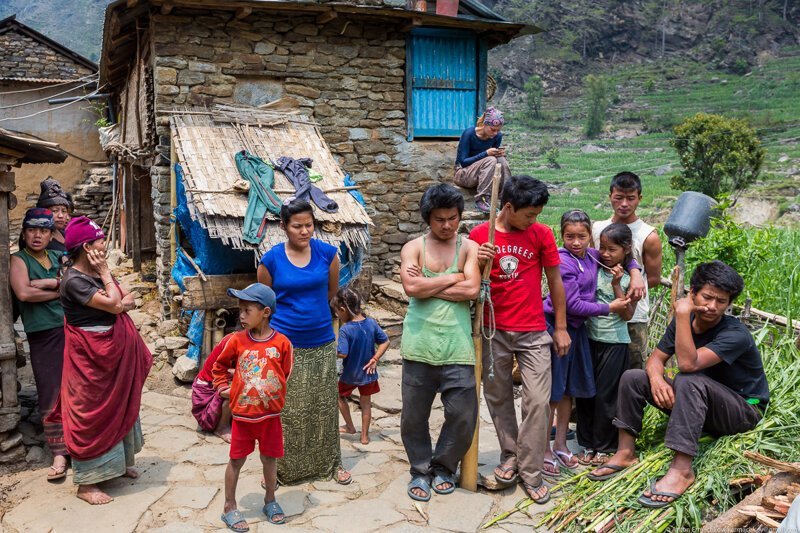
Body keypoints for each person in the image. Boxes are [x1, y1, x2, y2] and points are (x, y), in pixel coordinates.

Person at [589, 261, 769, 510]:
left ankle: (682, 470)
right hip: (700, 404)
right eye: (707, 297)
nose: (713, 306)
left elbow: (687, 364)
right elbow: (655, 359)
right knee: (634, 377)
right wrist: (656, 379)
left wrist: (682, 314)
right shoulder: (686, 322)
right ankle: (625, 452)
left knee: (688, 379)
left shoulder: (735, 334)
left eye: (722, 301)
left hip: (743, 411)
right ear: (692, 293)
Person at [470, 176, 568, 504]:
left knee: (538, 401)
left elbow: (554, 279)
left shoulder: (541, 234)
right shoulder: (480, 234)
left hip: (533, 330)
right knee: (497, 398)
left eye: (537, 214)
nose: (534, 220)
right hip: (492, 328)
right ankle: (510, 456)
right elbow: (467, 277)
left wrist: (561, 327)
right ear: (508, 207)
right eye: (529, 214)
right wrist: (479, 258)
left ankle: (531, 469)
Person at [46, 216, 152, 505]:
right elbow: (118, 303)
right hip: (90, 360)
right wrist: (109, 280)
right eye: (100, 241)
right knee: (92, 415)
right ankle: (87, 484)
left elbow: (127, 299)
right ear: (86, 247)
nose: (104, 245)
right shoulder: (74, 281)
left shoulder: (93, 273)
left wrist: (115, 296)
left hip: (114, 355)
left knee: (120, 404)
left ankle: (118, 464)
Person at [257, 199, 351, 485]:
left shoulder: (327, 254)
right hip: (284, 344)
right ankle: (280, 468)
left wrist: (312, 315)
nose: (305, 231)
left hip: (321, 340)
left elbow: (331, 292)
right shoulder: (272, 259)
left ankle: (331, 463)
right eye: (297, 226)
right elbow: (264, 301)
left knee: (322, 406)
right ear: (284, 227)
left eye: (309, 225)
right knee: (287, 409)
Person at [540, 211, 641, 474]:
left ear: (589, 238)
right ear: (561, 236)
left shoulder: (591, 255)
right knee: (553, 390)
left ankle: (561, 443)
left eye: (582, 237)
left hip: (578, 331)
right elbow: (571, 304)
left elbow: (624, 256)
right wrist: (609, 307)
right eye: (569, 236)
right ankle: (544, 448)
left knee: (568, 391)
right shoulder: (564, 262)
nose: (575, 242)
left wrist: (636, 273)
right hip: (558, 327)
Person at [400, 183, 480, 502]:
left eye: (453, 218)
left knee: (463, 414)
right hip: (419, 343)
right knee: (413, 417)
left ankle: (443, 466)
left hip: (457, 345)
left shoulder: (468, 247)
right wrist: (454, 277)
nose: (447, 225)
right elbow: (410, 287)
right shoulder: (413, 247)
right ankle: (420, 470)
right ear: (427, 219)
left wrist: (427, 284)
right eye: (439, 219)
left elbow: (473, 290)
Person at [212, 283, 293, 531]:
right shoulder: (236, 341)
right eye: (241, 310)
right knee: (236, 461)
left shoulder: (282, 344)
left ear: (265, 312)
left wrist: (273, 396)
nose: (242, 316)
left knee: (269, 459)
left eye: (247, 310)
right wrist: (222, 387)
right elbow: (218, 366)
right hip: (244, 417)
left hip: (270, 417)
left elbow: (285, 374)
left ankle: (270, 500)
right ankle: (229, 506)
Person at [9, 208, 69, 481]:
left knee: (76, 388)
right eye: (32, 230)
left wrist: (46, 284)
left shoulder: (58, 257)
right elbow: (23, 292)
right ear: (24, 233)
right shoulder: (18, 260)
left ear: (49, 235)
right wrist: (60, 290)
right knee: (50, 390)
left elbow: (75, 285)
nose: (37, 235)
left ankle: (80, 445)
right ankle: (58, 450)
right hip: (43, 333)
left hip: (71, 330)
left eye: (43, 231)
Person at [576, 223, 638, 466]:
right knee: (585, 393)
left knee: (606, 397)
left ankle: (604, 446)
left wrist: (616, 284)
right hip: (589, 337)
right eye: (602, 247)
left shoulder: (629, 277)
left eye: (612, 249)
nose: (605, 253)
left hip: (614, 342)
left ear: (626, 250)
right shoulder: (594, 262)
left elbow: (628, 315)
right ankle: (586, 443)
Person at [593, 172, 663, 369]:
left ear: (639, 198)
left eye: (630, 198)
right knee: (598, 369)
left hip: (635, 315)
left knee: (632, 370)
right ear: (610, 197)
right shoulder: (598, 229)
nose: (624, 203)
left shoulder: (648, 235)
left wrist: (629, 285)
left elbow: (654, 278)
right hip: (601, 313)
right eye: (618, 197)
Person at [332, 287, 390, 445]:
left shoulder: (345, 330)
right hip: (368, 374)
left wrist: (331, 350)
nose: (338, 315)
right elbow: (385, 341)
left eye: (337, 312)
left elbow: (342, 353)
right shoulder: (371, 323)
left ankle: (350, 426)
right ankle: (364, 436)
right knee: (366, 403)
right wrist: (375, 358)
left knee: (339, 396)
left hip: (351, 375)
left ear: (343, 309)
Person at [454, 107, 511, 213]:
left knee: (501, 160)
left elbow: (494, 159)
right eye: (492, 129)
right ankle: (482, 200)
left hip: (483, 174)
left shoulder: (497, 136)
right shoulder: (469, 134)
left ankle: (506, 199)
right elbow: (463, 161)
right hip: (463, 174)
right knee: (490, 159)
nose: (495, 133)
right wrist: (486, 153)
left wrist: (499, 154)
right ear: (485, 124)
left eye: (498, 130)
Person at [192, 332, 235, 442]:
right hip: (209, 387)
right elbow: (222, 371)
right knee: (238, 391)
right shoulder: (233, 342)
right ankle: (222, 427)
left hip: (221, 381)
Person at [35, 177, 74, 253]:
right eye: (55, 211)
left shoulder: (61, 231)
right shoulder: (36, 238)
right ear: (43, 211)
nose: (61, 216)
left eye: (64, 211)